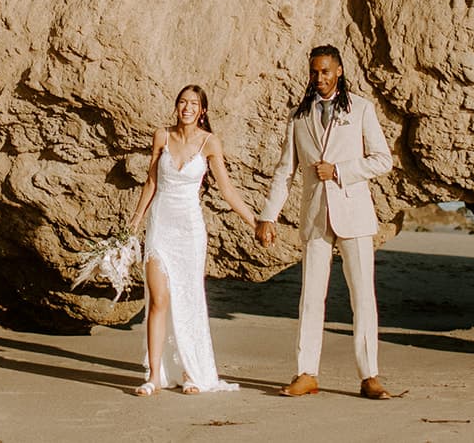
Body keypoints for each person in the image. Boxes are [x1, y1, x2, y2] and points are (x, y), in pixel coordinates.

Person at [256, 45, 395, 399]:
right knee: (310, 298)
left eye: (326, 72)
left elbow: (383, 160)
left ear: (339, 72)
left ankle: (370, 377)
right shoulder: (298, 117)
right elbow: (284, 171)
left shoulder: (362, 109)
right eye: (315, 72)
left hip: (354, 215)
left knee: (363, 297)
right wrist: (267, 215)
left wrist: (341, 171)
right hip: (316, 217)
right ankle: (306, 373)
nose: (319, 79)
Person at [127, 84, 257, 395]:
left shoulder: (210, 143)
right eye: (183, 102)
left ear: (202, 111)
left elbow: (227, 191)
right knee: (158, 300)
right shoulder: (162, 135)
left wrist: (256, 222)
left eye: (193, 103)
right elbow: (151, 181)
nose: (187, 107)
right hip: (160, 224)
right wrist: (134, 222)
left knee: (189, 298)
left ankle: (190, 372)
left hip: (190, 230)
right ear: (176, 106)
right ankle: (154, 375)